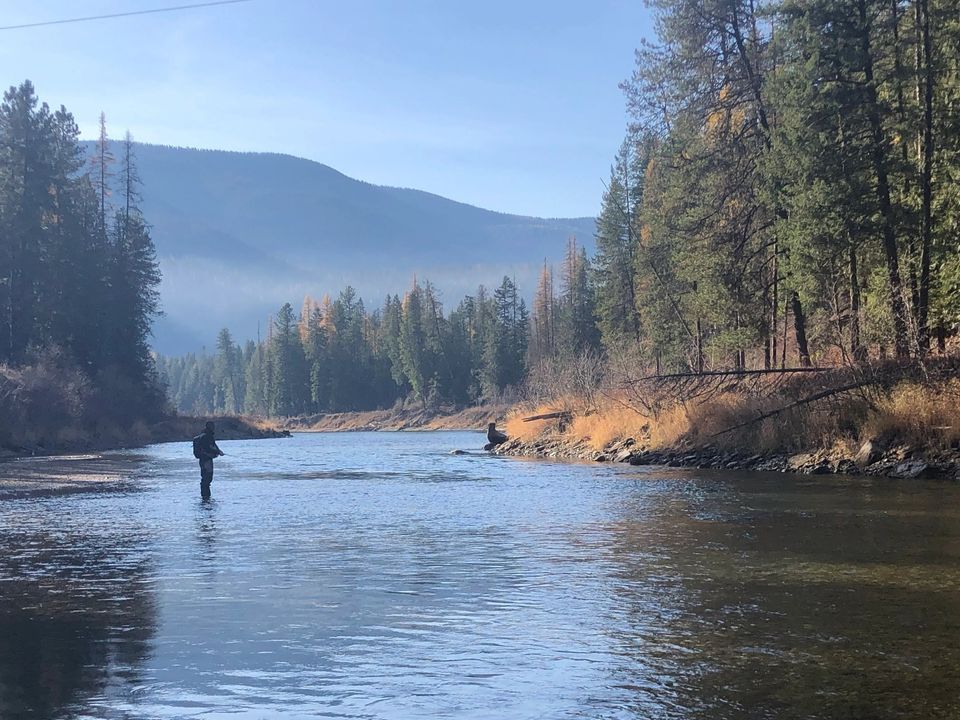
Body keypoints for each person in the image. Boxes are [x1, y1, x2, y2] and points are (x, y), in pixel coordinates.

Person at [193, 421, 224, 497]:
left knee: (204, 479)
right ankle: (206, 497)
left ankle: (205, 498)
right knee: (207, 479)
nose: (214, 428)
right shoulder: (208, 436)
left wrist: (218, 451)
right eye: (213, 426)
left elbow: (209, 447)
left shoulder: (202, 436)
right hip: (207, 460)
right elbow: (208, 448)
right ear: (210, 427)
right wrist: (218, 452)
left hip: (202, 460)